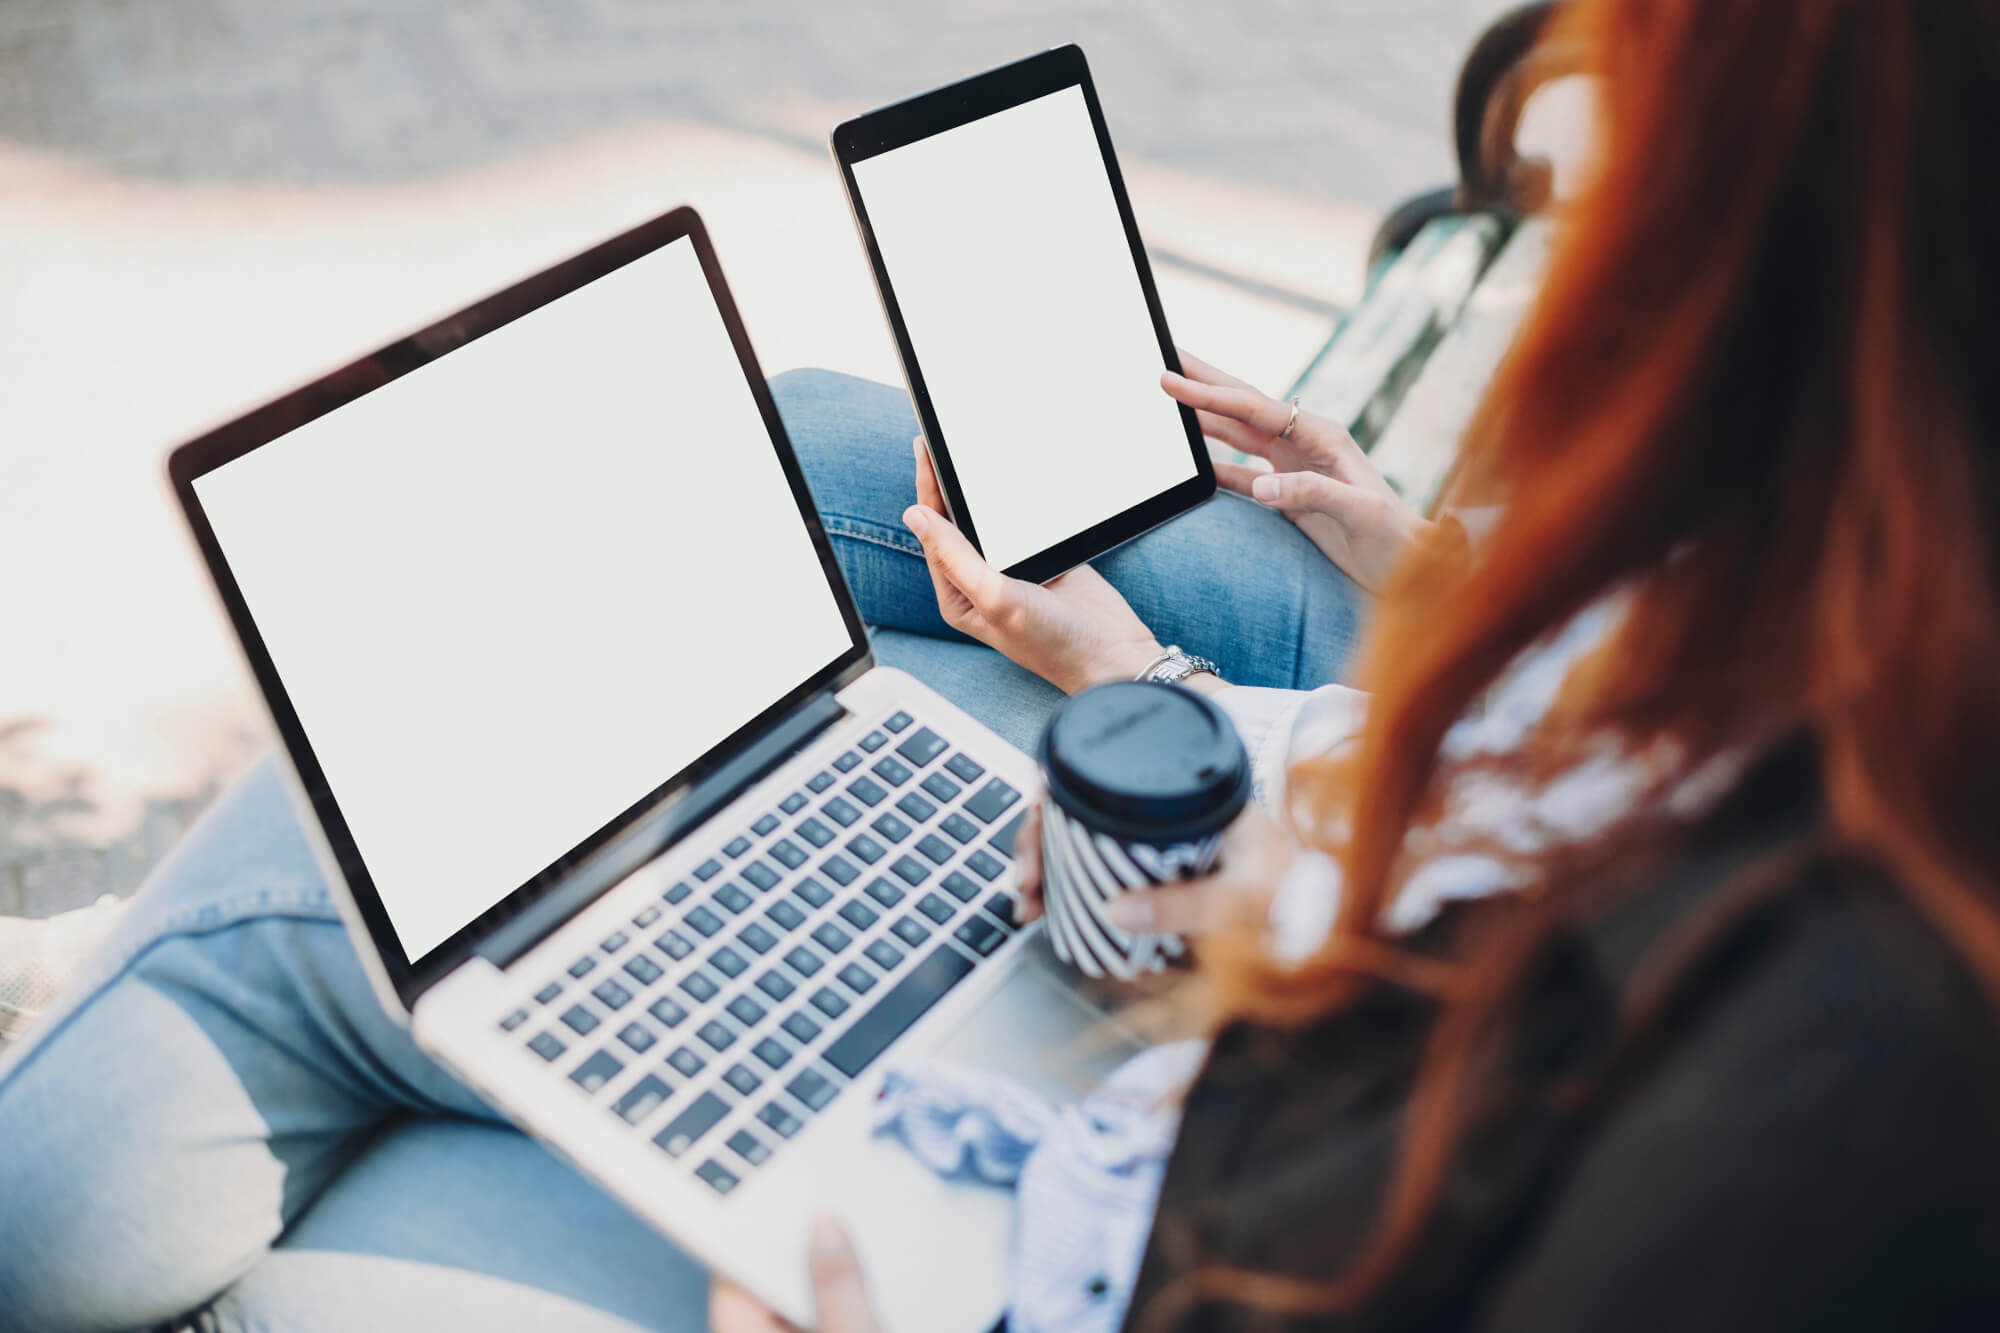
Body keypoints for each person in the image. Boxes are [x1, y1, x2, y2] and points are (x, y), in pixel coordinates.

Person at [7, 0, 2000, 1327]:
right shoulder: (1856, 691)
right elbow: (1560, 820)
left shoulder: (1825, 1075)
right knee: (810, 448)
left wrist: (1175, 729)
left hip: (1044, 1224)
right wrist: (1347, 669)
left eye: (1620, 212)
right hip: (1242, 984)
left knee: (324, 927)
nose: (1574, 284)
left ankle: (164, 978)